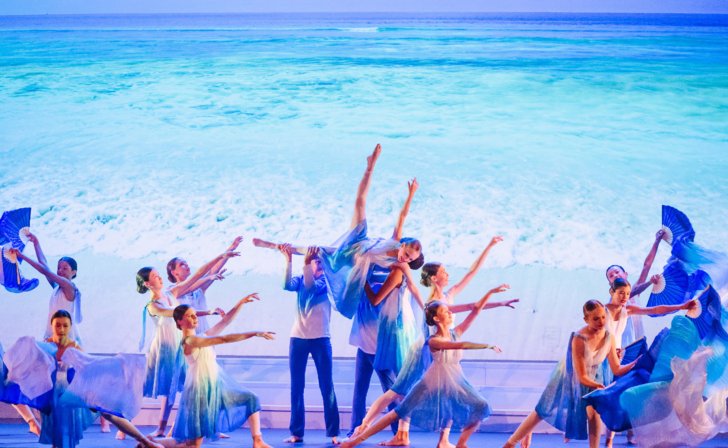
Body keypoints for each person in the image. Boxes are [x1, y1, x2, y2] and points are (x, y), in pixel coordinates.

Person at [351, 237, 519, 446]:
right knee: (400, 390)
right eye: (444, 272)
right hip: (426, 351)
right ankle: (366, 426)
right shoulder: (434, 304)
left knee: (442, 390)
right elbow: (469, 308)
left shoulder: (447, 296)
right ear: (433, 278)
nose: (448, 275)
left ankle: (441, 439)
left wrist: (490, 247)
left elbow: (472, 277)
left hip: (442, 353)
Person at [315, 145, 423, 434]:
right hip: (365, 333)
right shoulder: (387, 248)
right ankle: (355, 432)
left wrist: (361, 275)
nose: (405, 257)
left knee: (390, 390)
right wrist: (411, 195)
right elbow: (400, 219)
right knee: (360, 390)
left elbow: (376, 299)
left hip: (382, 340)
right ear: (401, 245)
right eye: (406, 251)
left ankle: (398, 432)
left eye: (411, 258)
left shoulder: (397, 273)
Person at [342, 290, 505, 448]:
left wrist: (491, 293)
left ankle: (461, 443)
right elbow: (460, 345)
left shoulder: (455, 333)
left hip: (456, 380)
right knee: (399, 412)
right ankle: (356, 440)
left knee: (481, 406)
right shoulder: (433, 340)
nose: (450, 314)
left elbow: (475, 311)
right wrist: (487, 345)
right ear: (436, 318)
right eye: (445, 311)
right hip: (431, 382)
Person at [4, 310, 163, 448]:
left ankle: (145, 441)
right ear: (51, 325)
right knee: (56, 433)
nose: (61, 329)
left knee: (108, 413)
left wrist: (122, 364)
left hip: (73, 391)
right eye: (57, 325)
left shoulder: (74, 347)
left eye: (65, 325)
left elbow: (90, 365)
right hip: (53, 394)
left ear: (70, 327)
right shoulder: (45, 346)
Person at [503, 300, 639, 448]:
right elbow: (581, 376)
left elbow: (616, 368)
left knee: (593, 413)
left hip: (594, 376)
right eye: (595, 318)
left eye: (603, 317)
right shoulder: (579, 339)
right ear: (586, 320)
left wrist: (636, 363)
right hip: (569, 375)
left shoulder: (609, 337)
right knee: (544, 409)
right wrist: (597, 386)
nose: (601, 321)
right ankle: (511, 442)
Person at [136, 253, 236, 438]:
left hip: (182, 346)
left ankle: (204, 426)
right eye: (155, 277)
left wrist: (222, 255)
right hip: (166, 350)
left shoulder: (170, 294)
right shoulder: (152, 305)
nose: (159, 278)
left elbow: (198, 275)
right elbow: (177, 313)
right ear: (148, 284)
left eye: (159, 275)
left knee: (198, 383)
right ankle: (155, 427)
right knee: (168, 389)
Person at [154, 298, 274, 448]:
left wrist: (240, 303)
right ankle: (151, 444)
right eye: (190, 316)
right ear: (179, 321)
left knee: (251, 399)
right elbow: (223, 339)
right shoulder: (190, 340)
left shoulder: (203, 335)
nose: (195, 317)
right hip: (200, 391)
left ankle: (257, 440)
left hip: (216, 385)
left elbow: (225, 322)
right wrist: (254, 333)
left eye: (195, 314)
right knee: (193, 444)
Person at [9, 234, 83, 434]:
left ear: (74, 272)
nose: (60, 270)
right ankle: (44, 423)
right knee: (47, 383)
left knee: (62, 385)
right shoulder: (58, 287)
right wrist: (36, 243)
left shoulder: (70, 287)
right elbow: (45, 266)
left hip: (63, 344)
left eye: (65, 268)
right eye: (59, 267)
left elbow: (44, 270)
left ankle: (63, 425)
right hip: (50, 341)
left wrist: (24, 258)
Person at [278, 245, 340, 444]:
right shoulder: (300, 279)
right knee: (297, 387)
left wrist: (305, 263)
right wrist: (288, 260)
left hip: (321, 339)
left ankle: (333, 433)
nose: (319, 262)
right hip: (298, 339)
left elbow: (312, 287)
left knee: (326, 386)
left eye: (321, 260)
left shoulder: (327, 282)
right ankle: (296, 432)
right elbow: (286, 285)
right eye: (315, 260)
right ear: (310, 263)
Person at [166, 236, 242, 335]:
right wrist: (208, 277)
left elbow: (212, 271)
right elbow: (190, 286)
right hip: (186, 340)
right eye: (182, 264)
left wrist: (231, 248)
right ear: (174, 273)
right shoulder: (172, 291)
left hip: (204, 337)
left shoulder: (198, 289)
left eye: (186, 263)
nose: (187, 265)